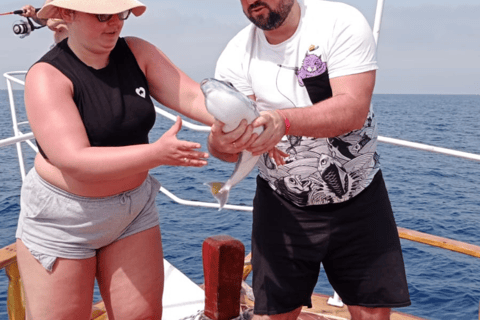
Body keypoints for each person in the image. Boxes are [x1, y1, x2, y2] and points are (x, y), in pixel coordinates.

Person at [207, 0, 411, 319]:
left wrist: (283, 121)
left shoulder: (339, 22)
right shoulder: (235, 56)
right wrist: (219, 142)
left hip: (359, 195)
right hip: (281, 202)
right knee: (277, 311)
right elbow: (227, 146)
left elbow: (353, 109)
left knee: (372, 312)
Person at [15, 0, 214, 319]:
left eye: (121, 14)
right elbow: (74, 160)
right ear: (68, 15)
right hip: (65, 219)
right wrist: (156, 154)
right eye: (103, 15)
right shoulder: (46, 76)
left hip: (133, 211)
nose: (116, 23)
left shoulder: (138, 51)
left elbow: (192, 96)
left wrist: (240, 119)